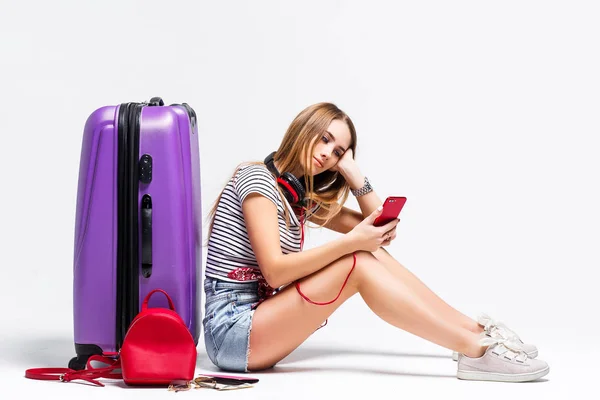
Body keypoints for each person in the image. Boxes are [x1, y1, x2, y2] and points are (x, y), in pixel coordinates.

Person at [202, 102, 549, 382]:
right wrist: (353, 242)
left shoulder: (297, 195)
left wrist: (353, 173)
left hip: (259, 320)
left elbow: (380, 228)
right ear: (303, 130)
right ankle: (476, 351)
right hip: (232, 332)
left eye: (337, 151)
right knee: (358, 260)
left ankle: (476, 333)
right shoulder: (257, 182)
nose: (327, 154)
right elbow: (276, 273)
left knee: (368, 253)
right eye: (323, 139)